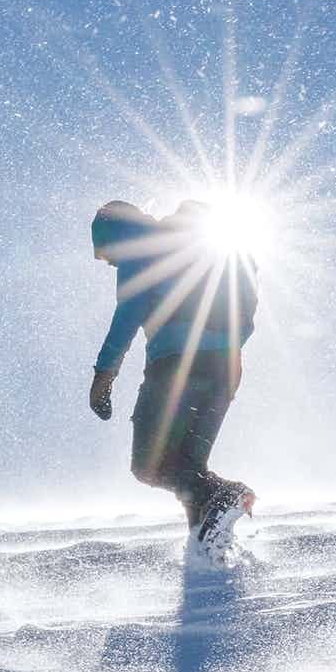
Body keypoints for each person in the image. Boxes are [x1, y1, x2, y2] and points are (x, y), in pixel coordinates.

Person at [88, 199, 259, 558]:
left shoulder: (141, 247)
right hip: (225, 371)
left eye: (105, 253)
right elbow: (246, 311)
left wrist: (104, 375)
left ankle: (226, 496)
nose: (108, 262)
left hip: (177, 368)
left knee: (150, 466)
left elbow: (128, 315)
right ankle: (207, 551)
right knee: (189, 471)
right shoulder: (204, 249)